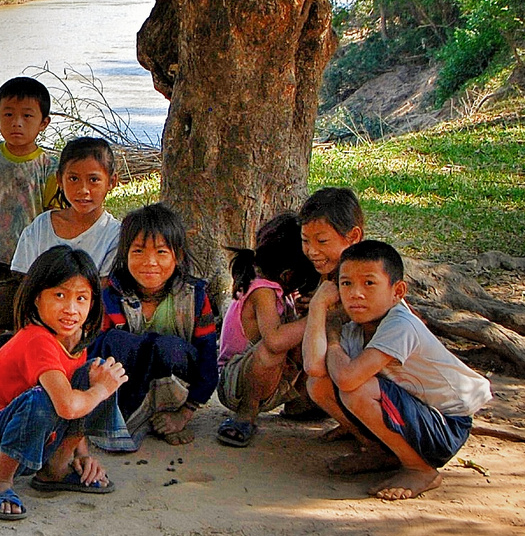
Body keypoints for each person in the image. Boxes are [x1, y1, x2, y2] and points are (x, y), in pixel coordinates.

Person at [302, 240, 492, 500]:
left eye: (369, 283)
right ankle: (381, 451)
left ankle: (421, 469)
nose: (356, 293)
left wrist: (332, 340)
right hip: (413, 414)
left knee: (356, 389)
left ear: (398, 291)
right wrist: (317, 307)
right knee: (318, 384)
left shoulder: (400, 324)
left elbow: (347, 379)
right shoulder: (356, 327)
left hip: (445, 425)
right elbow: (314, 367)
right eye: (346, 284)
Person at [0, 246, 129, 520]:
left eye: (81, 298)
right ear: (37, 298)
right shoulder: (37, 339)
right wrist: (101, 390)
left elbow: (79, 394)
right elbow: (66, 406)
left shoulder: (76, 339)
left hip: (38, 437)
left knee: (98, 372)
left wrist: (82, 454)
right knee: (53, 396)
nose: (71, 309)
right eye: (60, 295)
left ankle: (57, 467)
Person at [88, 203, 220, 449]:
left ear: (177, 256)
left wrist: (186, 413)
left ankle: (168, 418)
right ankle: (123, 416)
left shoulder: (194, 297)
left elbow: (207, 361)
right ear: (125, 253)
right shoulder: (112, 296)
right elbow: (94, 355)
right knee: (115, 342)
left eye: (161, 252)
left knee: (167, 347)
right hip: (126, 387)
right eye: (138, 251)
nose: (150, 262)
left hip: (175, 384)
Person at [0, 76, 60, 357]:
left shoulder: (48, 166)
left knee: (25, 317)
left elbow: (52, 214)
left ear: (43, 123)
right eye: (8, 115)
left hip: (31, 257)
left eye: (27, 116)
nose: (17, 123)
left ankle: (19, 368)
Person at [213, 211, 320, 447]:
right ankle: (246, 414)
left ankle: (300, 404)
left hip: (272, 381)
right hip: (236, 384)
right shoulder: (262, 290)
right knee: (276, 346)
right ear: (288, 275)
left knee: (314, 339)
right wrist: (316, 315)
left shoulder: (279, 291)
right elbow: (273, 341)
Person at [295, 186, 366, 425]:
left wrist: (323, 307)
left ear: (353, 236)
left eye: (322, 241)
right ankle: (351, 427)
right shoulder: (326, 274)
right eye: (305, 241)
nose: (312, 251)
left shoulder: (366, 276)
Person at [10, 137, 123, 277]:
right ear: (59, 180)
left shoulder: (115, 236)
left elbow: (104, 292)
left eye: (93, 180)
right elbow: (23, 281)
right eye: (74, 179)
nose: (83, 189)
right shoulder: (40, 228)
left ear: (112, 182)